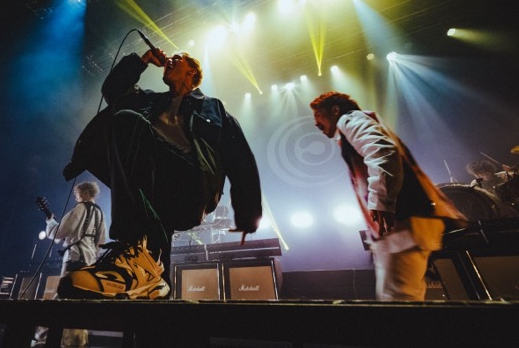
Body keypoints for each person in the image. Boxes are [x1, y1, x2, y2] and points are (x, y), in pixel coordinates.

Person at [60, 49, 262, 300]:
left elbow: (240, 157)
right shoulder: (149, 100)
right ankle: (152, 282)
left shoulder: (212, 107)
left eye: (178, 59)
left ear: (191, 72)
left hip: (191, 182)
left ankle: (133, 251)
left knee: (126, 121)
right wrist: (142, 60)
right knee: (153, 229)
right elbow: (113, 90)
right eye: (170, 58)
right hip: (153, 181)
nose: (170, 60)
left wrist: (248, 216)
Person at [310, 91, 466, 301]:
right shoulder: (354, 125)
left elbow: (383, 151)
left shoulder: (350, 119)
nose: (315, 123)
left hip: (404, 222)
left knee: (399, 301)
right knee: (400, 299)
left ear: (335, 110)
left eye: (318, 115)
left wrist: (381, 201)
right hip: (404, 225)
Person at [41, 181, 106, 348]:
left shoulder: (80, 208)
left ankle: (43, 337)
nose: (76, 197)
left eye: (77, 194)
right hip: (89, 262)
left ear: (85, 192)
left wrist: (50, 222)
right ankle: (77, 342)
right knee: (79, 302)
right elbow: (102, 240)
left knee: (63, 296)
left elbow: (60, 232)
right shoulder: (100, 213)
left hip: (74, 258)